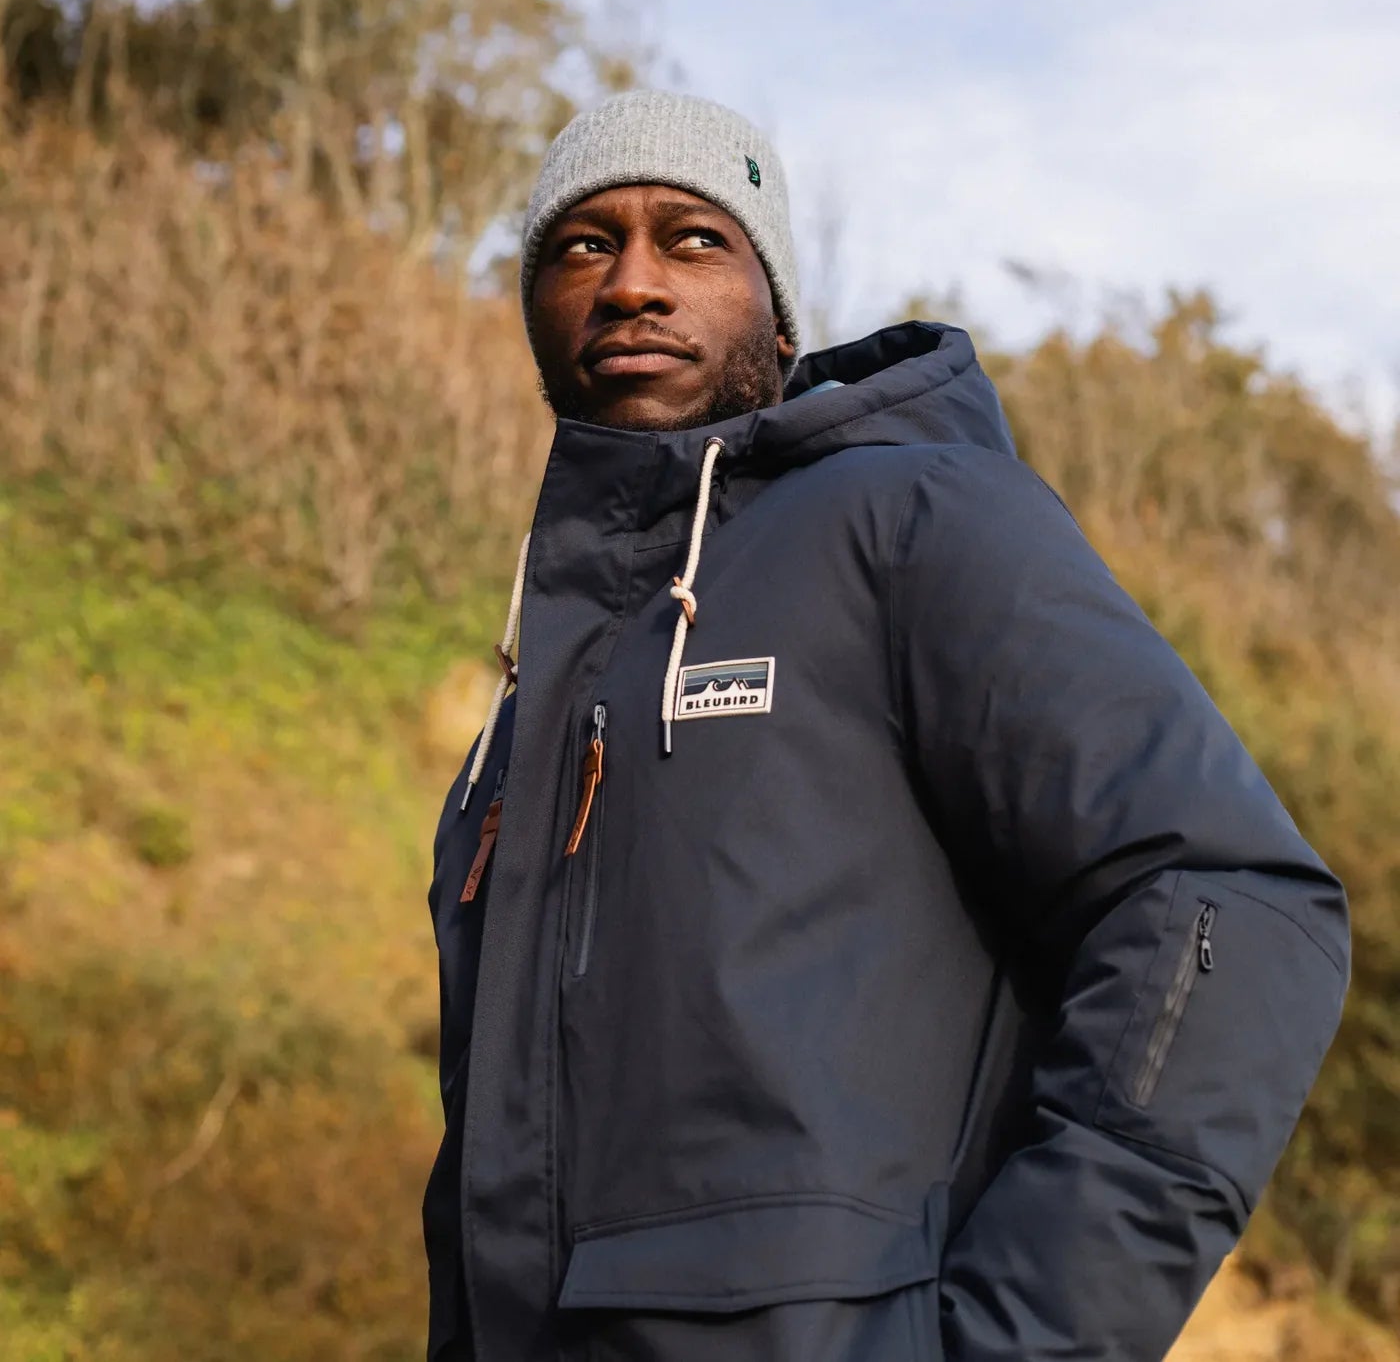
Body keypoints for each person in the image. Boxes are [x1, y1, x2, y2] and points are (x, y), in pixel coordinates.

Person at [423, 90, 1348, 1362]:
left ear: (778, 304)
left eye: (691, 237)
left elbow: (1228, 905)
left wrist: (1017, 1338)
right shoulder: (531, 696)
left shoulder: (911, 519)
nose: (632, 281)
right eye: (580, 245)